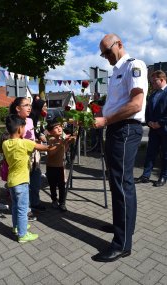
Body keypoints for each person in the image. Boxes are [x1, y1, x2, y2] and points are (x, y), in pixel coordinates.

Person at [92, 33, 148, 262]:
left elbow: (136, 104)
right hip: (116, 129)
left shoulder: (134, 65)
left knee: (122, 183)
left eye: (107, 51)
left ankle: (122, 244)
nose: (105, 57)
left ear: (120, 44)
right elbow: (114, 105)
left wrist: (105, 120)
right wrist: (98, 113)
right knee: (117, 181)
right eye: (102, 53)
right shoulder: (116, 71)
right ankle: (121, 227)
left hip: (125, 129)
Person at [2, 114, 57, 243]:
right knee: (22, 209)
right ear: (20, 128)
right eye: (25, 127)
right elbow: (46, 148)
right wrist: (58, 143)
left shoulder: (5, 144)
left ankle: (17, 228)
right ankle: (22, 235)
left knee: (16, 206)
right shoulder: (25, 143)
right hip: (21, 182)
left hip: (11, 181)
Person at [9, 97, 45, 222]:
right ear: (18, 108)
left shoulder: (29, 120)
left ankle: (35, 202)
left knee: (36, 181)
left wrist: (39, 137)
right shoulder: (13, 122)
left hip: (34, 155)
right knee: (24, 184)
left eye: (30, 105)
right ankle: (26, 210)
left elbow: (33, 134)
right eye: (26, 105)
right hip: (23, 158)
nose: (29, 107)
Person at [135, 70, 167, 187]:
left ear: (162, 80)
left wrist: (160, 123)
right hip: (153, 129)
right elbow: (148, 111)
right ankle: (145, 176)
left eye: (154, 81)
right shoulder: (153, 94)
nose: (152, 83)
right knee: (150, 153)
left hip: (164, 129)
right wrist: (148, 121)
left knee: (165, 155)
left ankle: (163, 177)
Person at [46, 121, 75, 211]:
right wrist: (63, 142)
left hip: (61, 167)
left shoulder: (63, 139)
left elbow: (72, 140)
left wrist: (74, 134)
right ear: (50, 132)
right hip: (51, 167)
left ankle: (62, 203)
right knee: (52, 185)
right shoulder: (51, 140)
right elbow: (51, 153)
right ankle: (54, 200)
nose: (59, 128)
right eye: (56, 127)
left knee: (62, 185)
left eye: (59, 126)